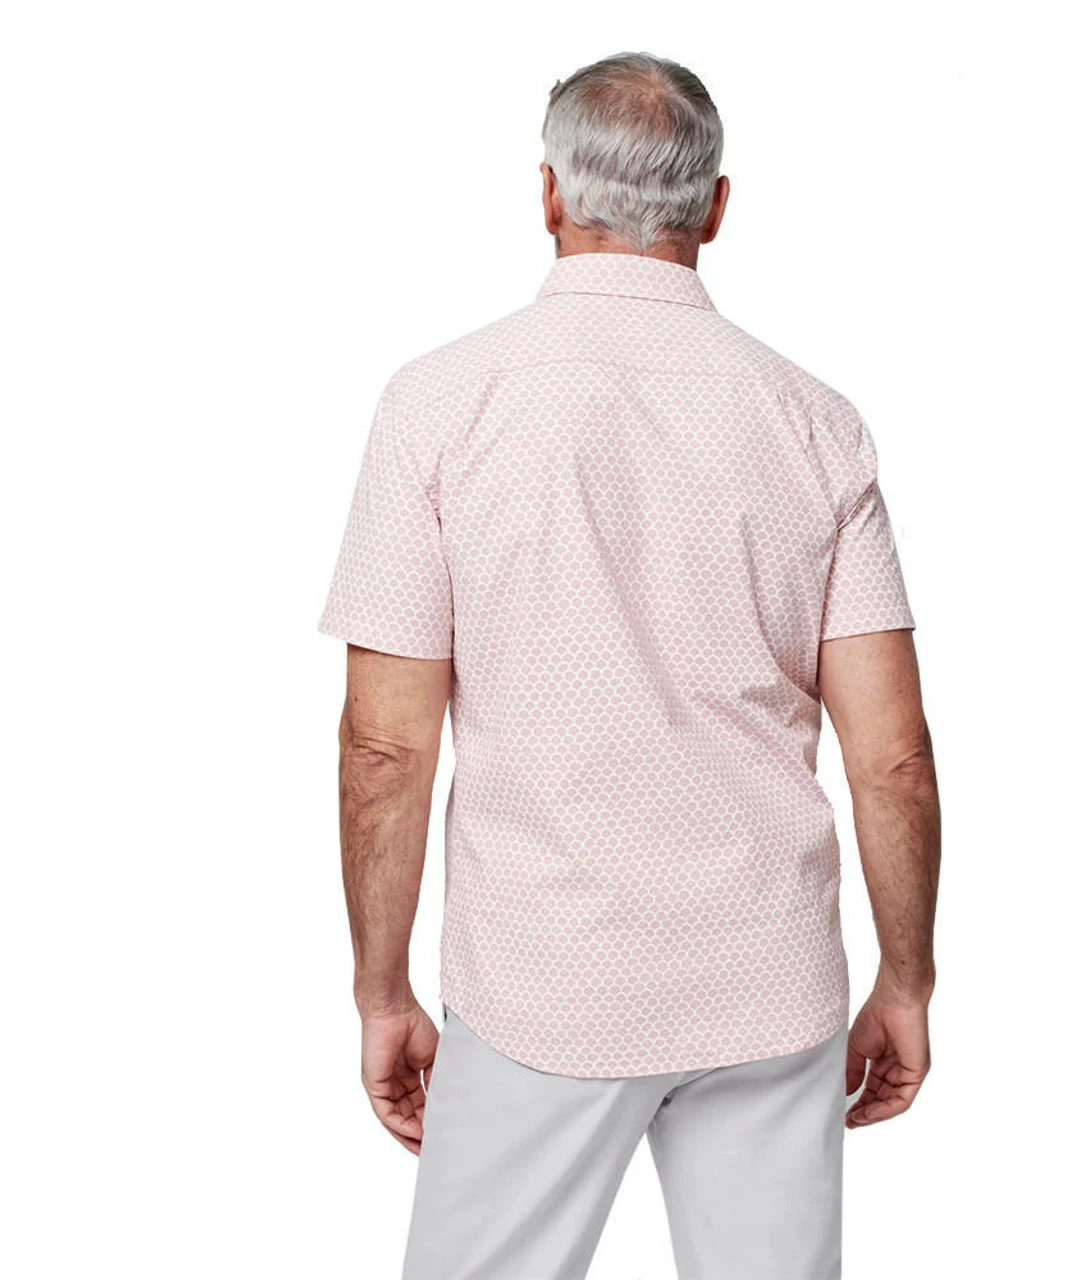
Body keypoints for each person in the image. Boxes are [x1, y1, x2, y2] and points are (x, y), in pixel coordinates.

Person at [319, 50, 941, 1280]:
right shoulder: (815, 422)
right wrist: (907, 977)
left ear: (549, 194)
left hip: (544, 977)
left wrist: (381, 991)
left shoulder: (439, 405)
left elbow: (383, 745)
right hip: (765, 975)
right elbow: (893, 757)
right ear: (714, 207)